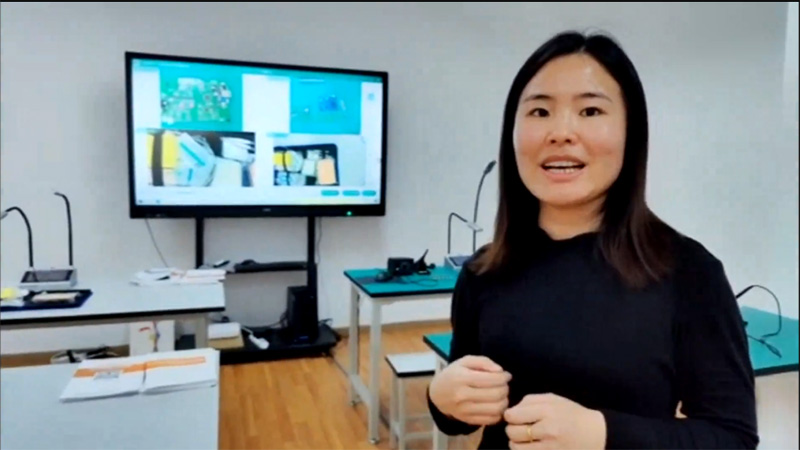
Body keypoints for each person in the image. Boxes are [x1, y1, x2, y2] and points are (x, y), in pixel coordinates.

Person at [427, 30, 758, 450]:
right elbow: (462, 417)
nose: (561, 132)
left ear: (630, 132)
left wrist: (601, 434)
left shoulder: (688, 272)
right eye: (540, 111)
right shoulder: (483, 271)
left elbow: (732, 437)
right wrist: (441, 398)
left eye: (590, 110)